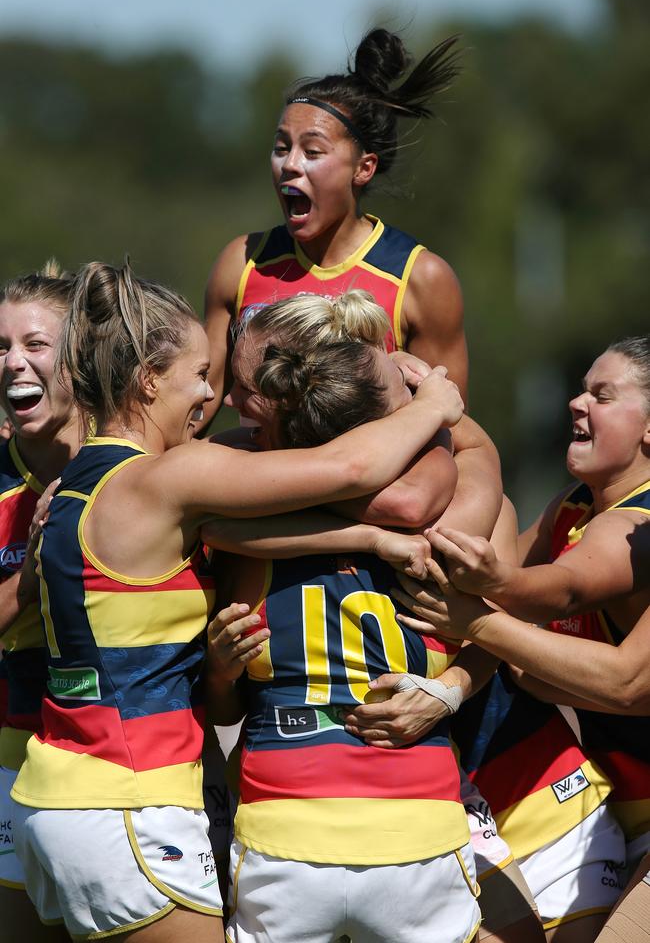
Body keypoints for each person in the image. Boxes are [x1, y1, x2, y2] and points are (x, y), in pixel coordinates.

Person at [9, 260, 462, 943]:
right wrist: (434, 406)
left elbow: (230, 526)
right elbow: (351, 468)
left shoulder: (76, 480)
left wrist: (364, 533)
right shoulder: (172, 476)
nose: (212, 397)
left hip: (57, 794)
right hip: (130, 801)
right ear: (147, 380)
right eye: (199, 374)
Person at [205, 293, 482, 943]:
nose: (224, 402)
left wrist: (219, 674)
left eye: (242, 388)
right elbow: (493, 622)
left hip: (284, 823)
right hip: (421, 825)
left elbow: (221, 707)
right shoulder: (454, 494)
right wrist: (438, 412)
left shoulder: (229, 509)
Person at [394, 336, 650, 941]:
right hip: (626, 810)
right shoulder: (574, 506)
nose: (575, 403)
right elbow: (515, 595)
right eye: (582, 388)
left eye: (602, 395)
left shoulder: (635, 525)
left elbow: (564, 603)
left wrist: (483, 614)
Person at [204, 27, 468, 417]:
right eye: (281, 148)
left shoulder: (421, 279)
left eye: (312, 151)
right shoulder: (241, 264)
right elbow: (192, 413)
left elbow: (452, 433)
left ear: (363, 169)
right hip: (260, 477)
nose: (290, 164)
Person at [0, 265, 82, 943]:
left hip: (137, 765)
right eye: (1, 347)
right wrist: (32, 572)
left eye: (35, 344)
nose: (13, 363)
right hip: (13, 758)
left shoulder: (140, 460)